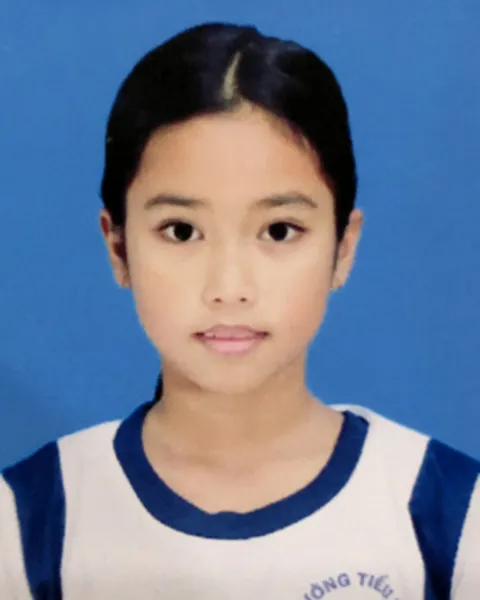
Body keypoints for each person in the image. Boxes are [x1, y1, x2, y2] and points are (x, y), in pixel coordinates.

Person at [0, 21, 478, 600]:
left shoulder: (450, 515)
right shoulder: (29, 524)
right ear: (118, 246)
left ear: (343, 248)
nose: (229, 288)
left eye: (279, 230)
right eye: (181, 231)